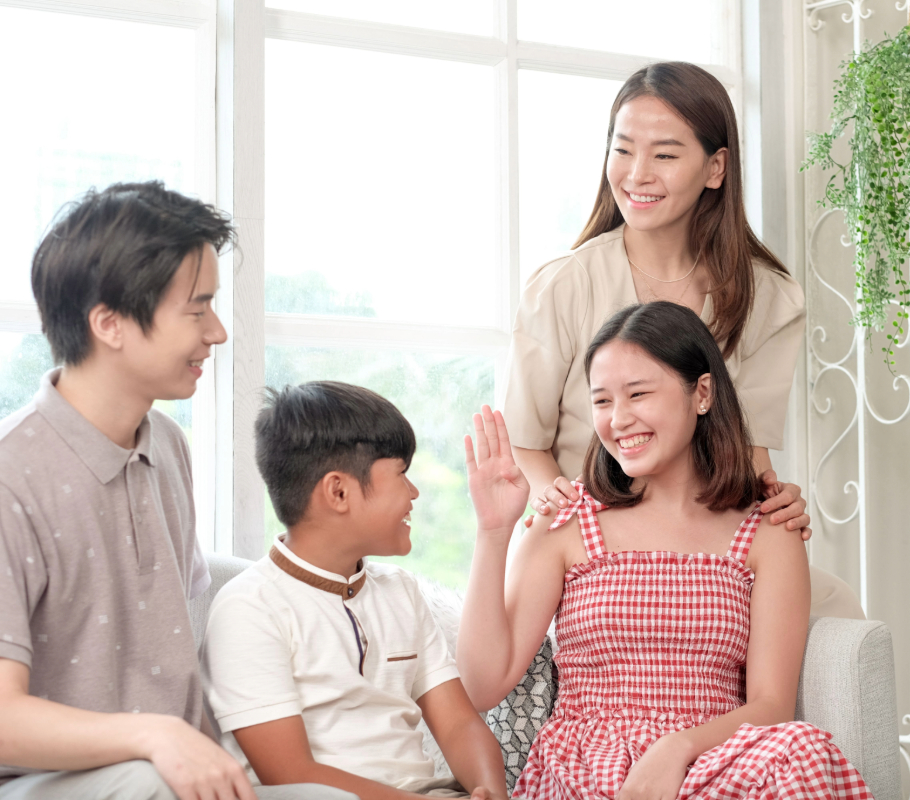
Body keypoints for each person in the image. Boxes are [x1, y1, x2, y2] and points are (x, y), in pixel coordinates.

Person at [0, 182, 349, 800]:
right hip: (45, 782)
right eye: (197, 310)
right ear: (108, 323)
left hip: (170, 776)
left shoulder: (166, 444)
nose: (216, 332)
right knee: (142, 781)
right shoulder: (10, 475)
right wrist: (154, 737)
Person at [459, 302, 873, 799]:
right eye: (603, 401)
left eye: (638, 394)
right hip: (585, 773)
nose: (618, 420)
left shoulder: (768, 529)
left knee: (800, 748)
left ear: (701, 393)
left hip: (713, 767)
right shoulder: (568, 519)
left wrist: (676, 749)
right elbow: (484, 684)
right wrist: (493, 531)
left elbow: (770, 706)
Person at [503, 61, 862, 619]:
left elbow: (747, 447)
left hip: (707, 538)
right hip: (594, 542)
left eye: (665, 155)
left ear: (716, 167)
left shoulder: (767, 296)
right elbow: (525, 440)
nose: (637, 174)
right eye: (622, 150)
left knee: (835, 604)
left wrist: (776, 498)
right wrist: (559, 504)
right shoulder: (564, 285)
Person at [202, 382, 507, 800]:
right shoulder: (249, 608)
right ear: (339, 491)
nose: (414, 492)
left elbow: (458, 723)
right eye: (401, 473)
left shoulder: (400, 592)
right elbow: (289, 773)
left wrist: (489, 790)